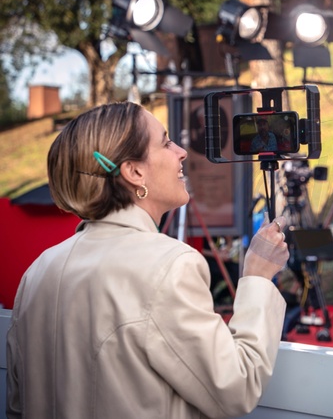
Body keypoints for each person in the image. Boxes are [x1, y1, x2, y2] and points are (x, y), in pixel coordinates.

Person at [6, 102, 290, 418]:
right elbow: (236, 388)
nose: (182, 152)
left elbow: (17, 406)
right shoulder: (169, 265)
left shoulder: (39, 270)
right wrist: (257, 277)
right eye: (166, 143)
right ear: (134, 172)